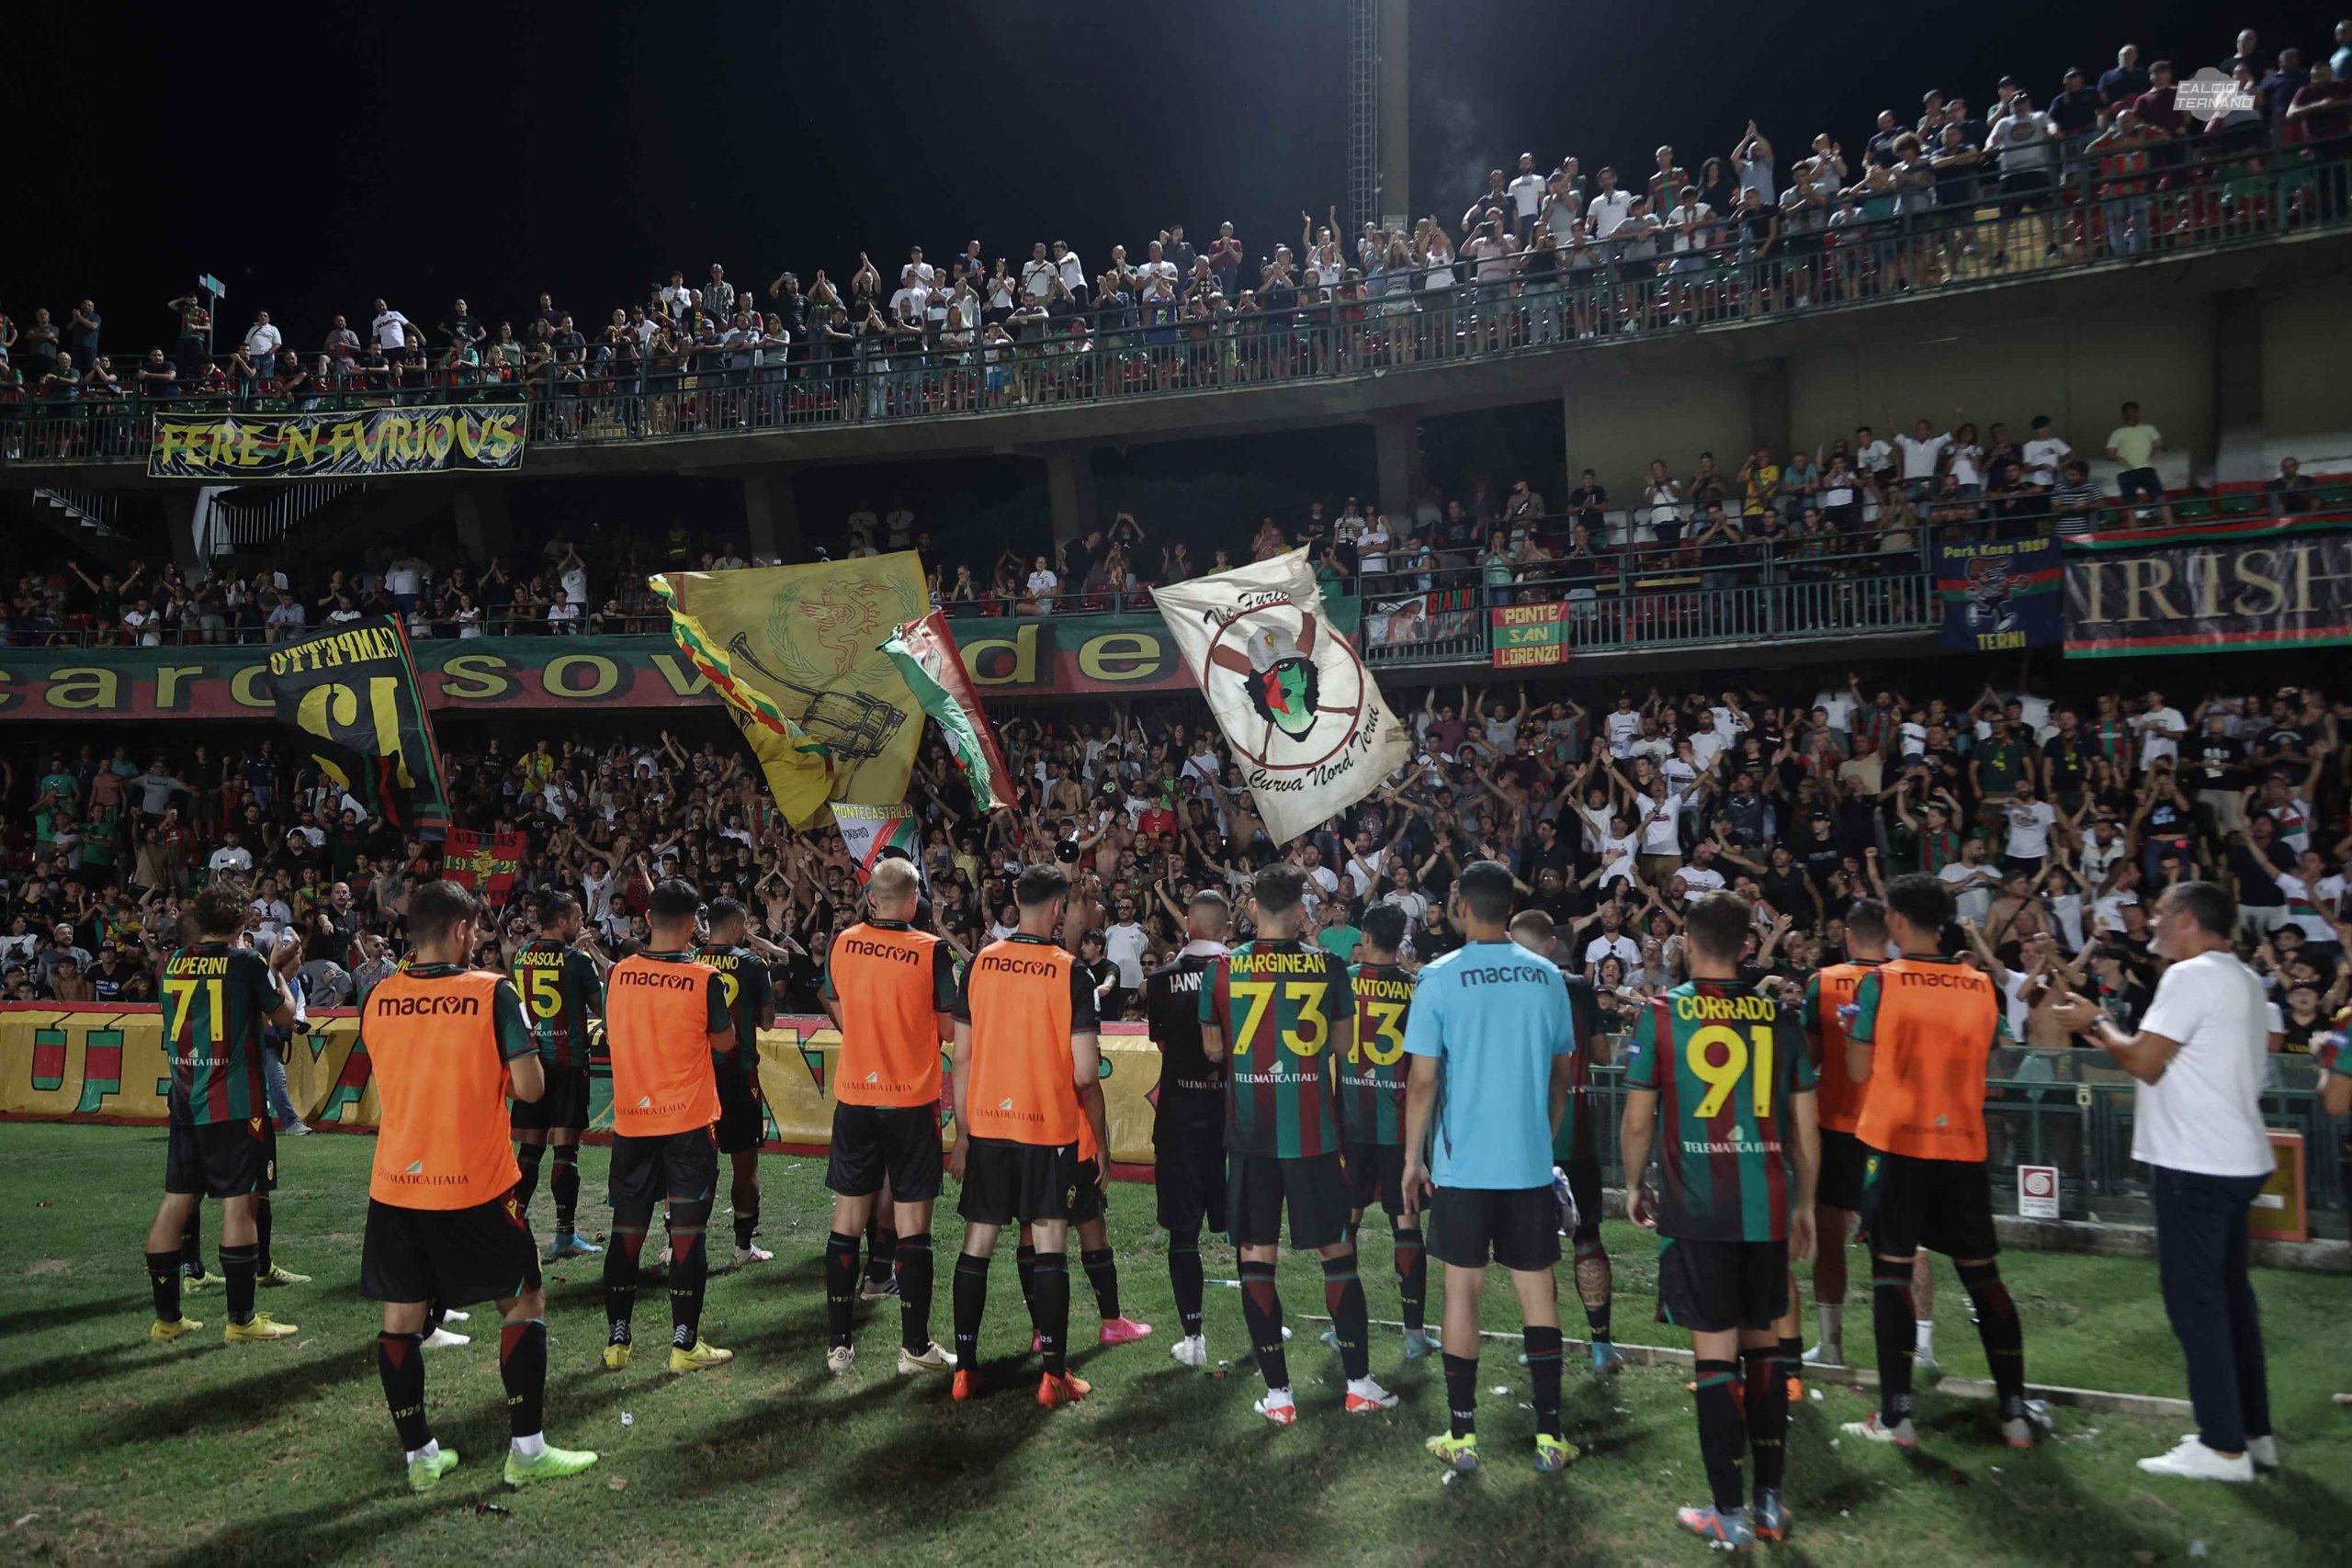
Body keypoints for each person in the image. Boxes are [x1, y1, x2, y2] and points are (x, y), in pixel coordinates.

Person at [357, 880, 598, 1493]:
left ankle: (421, 1457)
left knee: (402, 1317)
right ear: (463, 931)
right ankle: (527, 1449)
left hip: (396, 1182)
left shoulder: (379, 995)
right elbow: (531, 1086)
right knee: (523, 1300)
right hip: (475, 1182)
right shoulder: (491, 992)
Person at [2052, 882, 2278, 1482]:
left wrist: (2093, 1017)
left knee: (2196, 1304)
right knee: (2232, 1301)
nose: (2150, 921)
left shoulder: (2190, 975)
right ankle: (2252, 1435)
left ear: (2184, 919)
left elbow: (2144, 1060)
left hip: (2198, 1162)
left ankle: (2223, 1447)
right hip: (2235, 1157)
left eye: (2158, 913)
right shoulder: (2244, 978)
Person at [1619, 891, 1817, 1548]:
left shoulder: (1663, 1014)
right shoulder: (1780, 1016)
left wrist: (1632, 1182)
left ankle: (1727, 1512)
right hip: (1765, 1209)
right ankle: (1769, 1505)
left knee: (1714, 1358)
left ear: (1686, 939)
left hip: (1698, 1211)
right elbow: (1804, 1125)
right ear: (1747, 944)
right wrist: (1807, 1203)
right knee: (1763, 1352)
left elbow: (1640, 1115)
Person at [1842, 874, 2033, 1450]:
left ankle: (1897, 1418)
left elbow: (1855, 1073)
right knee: (1983, 1277)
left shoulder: (1881, 984)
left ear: (1897, 921)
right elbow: (1998, 1066)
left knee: (1892, 1274)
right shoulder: (1980, 986)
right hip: (1962, 1147)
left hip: (1897, 1145)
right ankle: (2015, 1413)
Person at [1202, 862, 1395, 1425]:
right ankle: (1358, 1384)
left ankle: (1280, 1397)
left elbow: (1214, 1050)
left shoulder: (1223, 969)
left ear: (1252, 905)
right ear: (1300, 907)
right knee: (1336, 1252)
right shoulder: (1331, 966)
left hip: (1252, 1137)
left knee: (1257, 1257)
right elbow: (1340, 1044)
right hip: (1314, 1135)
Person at [1403, 862, 1576, 1474]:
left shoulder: (1439, 977)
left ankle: (1464, 1436)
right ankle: (1550, 1437)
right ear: (1509, 905)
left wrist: (1411, 1158)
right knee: (1538, 1294)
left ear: (1460, 906)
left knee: (1461, 1290)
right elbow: (1563, 1072)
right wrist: (1542, 1132)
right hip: (1527, 1163)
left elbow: (1422, 1080)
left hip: (1462, 1167)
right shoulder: (1548, 976)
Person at [948, 863, 1105, 1408]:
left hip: (988, 1125)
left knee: (978, 1244)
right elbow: (1086, 1073)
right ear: (1059, 908)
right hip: (1048, 1130)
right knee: (1049, 1245)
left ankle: (964, 1371)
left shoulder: (979, 964)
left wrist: (964, 1133)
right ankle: (1053, 1375)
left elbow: (961, 1056)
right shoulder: (1071, 973)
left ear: (1016, 897)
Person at [142, 881, 304, 1346]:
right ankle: (241, 1320)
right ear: (239, 924)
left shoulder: (171, 963)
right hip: (235, 1105)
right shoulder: (246, 963)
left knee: (176, 1202)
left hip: (185, 1101)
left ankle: (167, 1320)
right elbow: (286, 1019)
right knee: (240, 1204)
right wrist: (279, 976)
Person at [816, 859, 958, 1376]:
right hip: (910, 1101)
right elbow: (946, 1029)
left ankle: (839, 1347)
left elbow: (831, 997)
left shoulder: (843, 941)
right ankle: (914, 1348)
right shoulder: (931, 950)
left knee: (847, 1220)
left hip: (856, 1096)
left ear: (873, 897)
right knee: (913, 1224)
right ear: (916, 897)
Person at [599, 879, 735, 1372]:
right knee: (687, 1234)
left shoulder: (618, 974)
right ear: (693, 922)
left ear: (649, 919)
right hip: (688, 1124)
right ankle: (684, 1346)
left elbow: (613, 1032)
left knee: (627, 1233)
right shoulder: (704, 978)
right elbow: (724, 1044)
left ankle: (618, 1342)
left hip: (634, 1121)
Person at [1799, 897, 1925, 1371]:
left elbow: (1809, 1057)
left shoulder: (1823, 983)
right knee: (1899, 1248)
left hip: (1836, 1129)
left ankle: (1831, 1347)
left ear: (1847, 936)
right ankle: (1913, 1351)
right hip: (1893, 1130)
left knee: (1830, 1241)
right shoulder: (1905, 983)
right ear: (1889, 935)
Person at [1513, 907, 1623, 1376]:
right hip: (1576, 1133)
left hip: (1527, 1140)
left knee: (1534, 1250)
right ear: (1554, 945)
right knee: (1588, 1240)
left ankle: (1543, 1343)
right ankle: (1601, 1345)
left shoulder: (1509, 989)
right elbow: (1599, 1054)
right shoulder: (1578, 989)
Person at [1329, 904, 1434, 1359]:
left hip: (1350, 1121)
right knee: (1406, 1223)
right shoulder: (1417, 988)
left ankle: (1341, 1330)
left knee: (1345, 1221)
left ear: (1367, 936)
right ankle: (1413, 1335)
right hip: (1399, 1124)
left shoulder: (1344, 979)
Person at [1141, 886, 1233, 1369]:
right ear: (1227, 928)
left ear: (1188, 926)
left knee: (1183, 1231)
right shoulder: (1242, 975)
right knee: (1246, 1227)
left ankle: (1193, 1336)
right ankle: (1265, 1321)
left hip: (1179, 1114)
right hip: (1232, 1116)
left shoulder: (1159, 980)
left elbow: (1160, 1046)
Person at [509, 890, 607, 1260]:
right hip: (567, 1064)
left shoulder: (521, 956)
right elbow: (600, 1007)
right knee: (566, 1152)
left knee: (529, 1151)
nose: (582, 924)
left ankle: (514, 1229)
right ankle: (564, 1236)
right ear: (561, 921)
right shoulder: (577, 960)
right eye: (577, 918)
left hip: (531, 1064)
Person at [694, 897, 778, 1268]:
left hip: (696, 1075)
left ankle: (678, 1245)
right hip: (738, 1074)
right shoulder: (752, 964)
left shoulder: (690, 961)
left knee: (691, 1161)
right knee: (744, 1164)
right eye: (743, 926)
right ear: (734, 926)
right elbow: (767, 1021)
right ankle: (743, 1249)